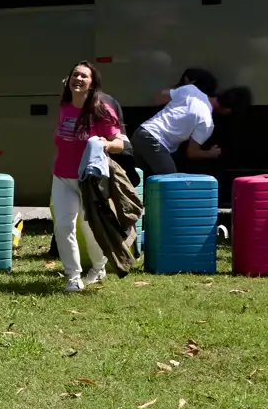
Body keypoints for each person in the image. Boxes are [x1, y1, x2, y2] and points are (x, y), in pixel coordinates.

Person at [52, 61, 124, 293]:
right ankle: (73, 276)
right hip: (62, 176)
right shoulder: (64, 106)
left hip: (90, 180)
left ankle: (99, 266)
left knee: (90, 226)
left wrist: (106, 144)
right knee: (63, 226)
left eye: (84, 76)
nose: (78, 79)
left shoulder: (101, 110)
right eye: (75, 74)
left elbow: (120, 143)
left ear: (92, 83)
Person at [130, 68, 222, 176]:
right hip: (156, 140)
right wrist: (210, 154)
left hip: (141, 132)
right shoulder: (207, 121)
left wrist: (178, 91)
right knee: (171, 182)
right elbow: (192, 152)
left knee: (134, 178)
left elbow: (159, 97)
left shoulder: (189, 90)